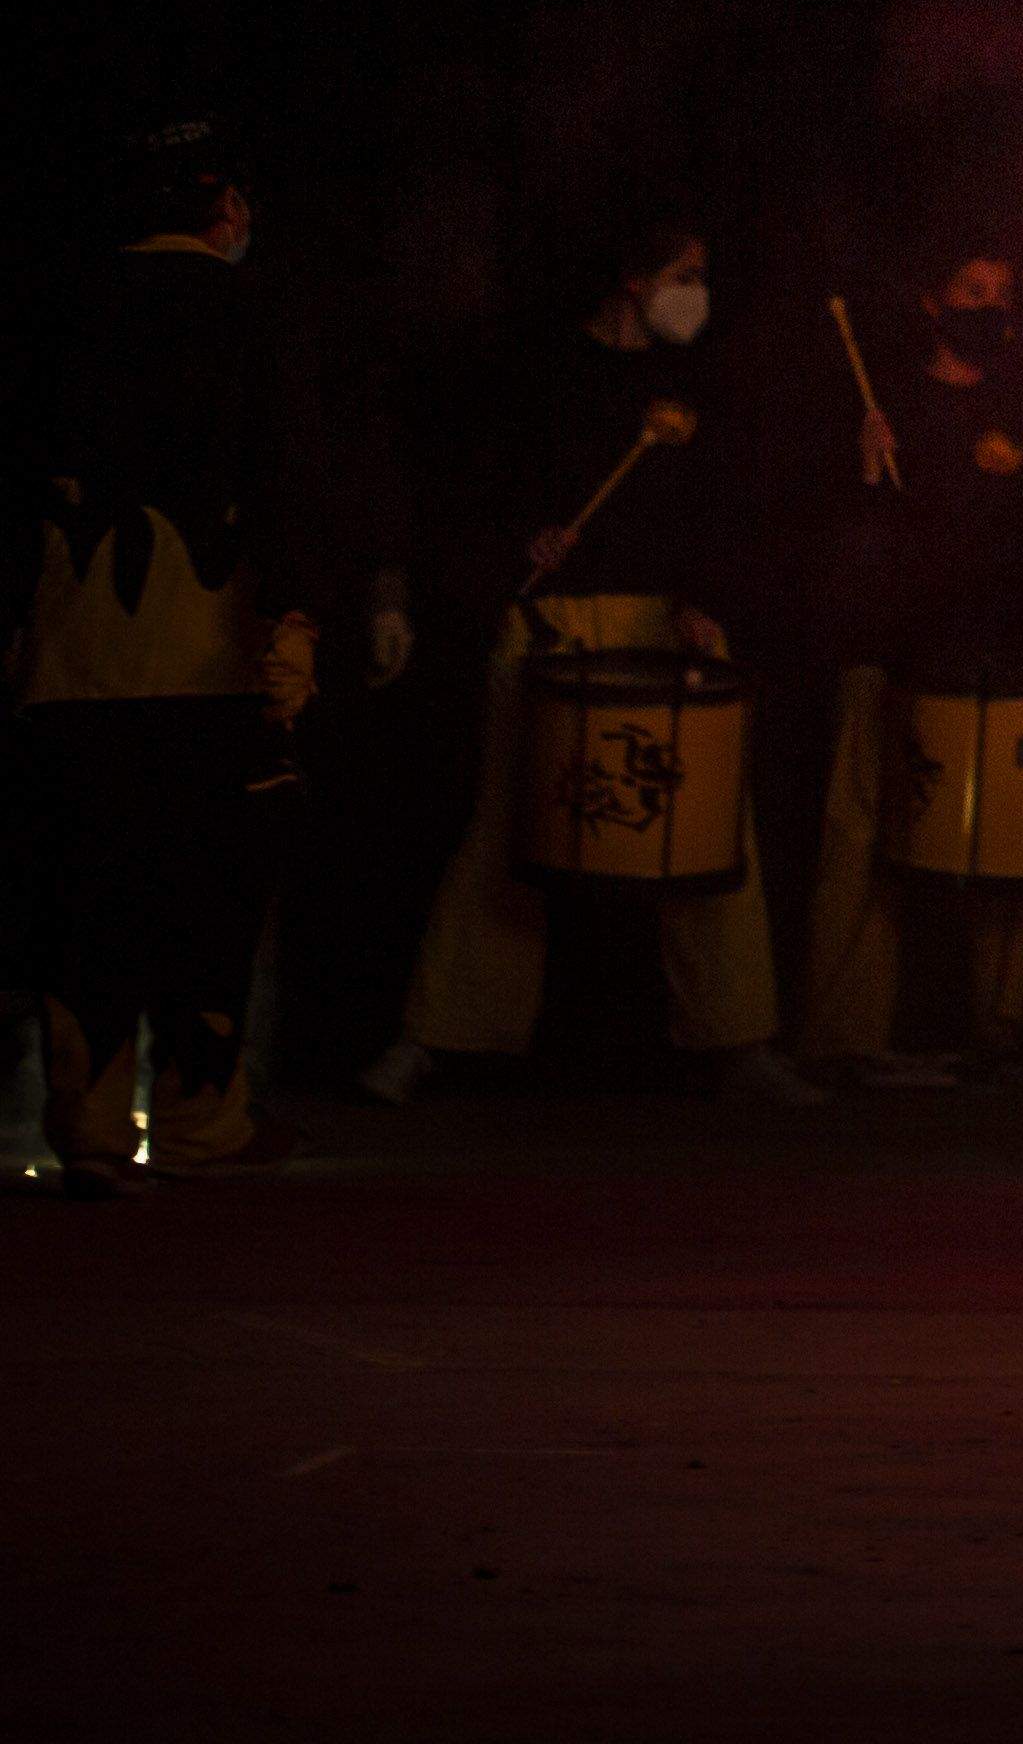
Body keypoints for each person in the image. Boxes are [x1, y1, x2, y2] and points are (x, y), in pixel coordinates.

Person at [371, 217, 821, 1108]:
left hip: (669, 629)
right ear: (632, 279)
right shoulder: (541, 379)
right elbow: (468, 499)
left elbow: (733, 514)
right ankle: (436, 1037)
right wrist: (520, 542)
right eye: (686, 272)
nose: (699, 291)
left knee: (711, 836)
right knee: (508, 829)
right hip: (554, 625)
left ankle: (739, 1040)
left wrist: (704, 598)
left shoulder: (702, 386)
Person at [17, 125, 318, 1175]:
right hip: (210, 655)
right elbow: (281, 476)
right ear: (226, 208)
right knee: (207, 892)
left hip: (72, 659)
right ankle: (200, 1124)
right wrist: (294, 619)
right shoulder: (253, 314)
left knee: (83, 890)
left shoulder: (53, 312)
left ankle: (89, 1131)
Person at [798, 251, 1023, 1089]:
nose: (992, 306)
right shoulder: (882, 403)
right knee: (863, 838)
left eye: (1005, 294)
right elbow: (846, 540)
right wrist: (865, 469)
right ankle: (843, 1039)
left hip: (1000, 652)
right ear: (933, 301)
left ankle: (998, 1035)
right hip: (894, 652)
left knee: (1017, 835)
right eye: (975, 292)